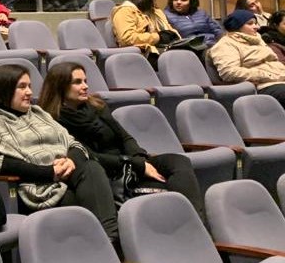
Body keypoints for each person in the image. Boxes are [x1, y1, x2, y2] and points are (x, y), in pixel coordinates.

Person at [0, 64, 119, 241]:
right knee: (80, 205)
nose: (30, 92)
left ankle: (110, 242)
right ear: (4, 90)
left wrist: (70, 161)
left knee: (92, 168)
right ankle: (104, 248)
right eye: (22, 87)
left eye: (30, 86)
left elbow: (72, 142)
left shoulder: (38, 113)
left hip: (66, 174)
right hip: (35, 187)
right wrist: (49, 173)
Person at [40, 61, 204, 216]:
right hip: (108, 173)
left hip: (130, 163)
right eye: (77, 82)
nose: (85, 86)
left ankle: (196, 221)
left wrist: (140, 159)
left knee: (178, 161)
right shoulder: (55, 121)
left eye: (85, 80)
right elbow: (89, 156)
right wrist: (136, 165)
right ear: (60, 87)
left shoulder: (96, 106)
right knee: (165, 189)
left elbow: (124, 136)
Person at [210, 9, 285, 108]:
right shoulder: (225, 44)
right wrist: (266, 75)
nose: (257, 27)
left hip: (280, 79)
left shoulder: (257, 39)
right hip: (262, 86)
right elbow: (229, 72)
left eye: (256, 23)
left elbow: (274, 62)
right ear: (237, 26)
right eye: (250, 24)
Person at [111, 0, 179, 67]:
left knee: (194, 52)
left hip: (165, 49)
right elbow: (127, 38)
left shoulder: (156, 12)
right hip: (144, 54)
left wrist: (176, 38)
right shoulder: (125, 11)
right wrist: (158, 37)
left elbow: (169, 31)